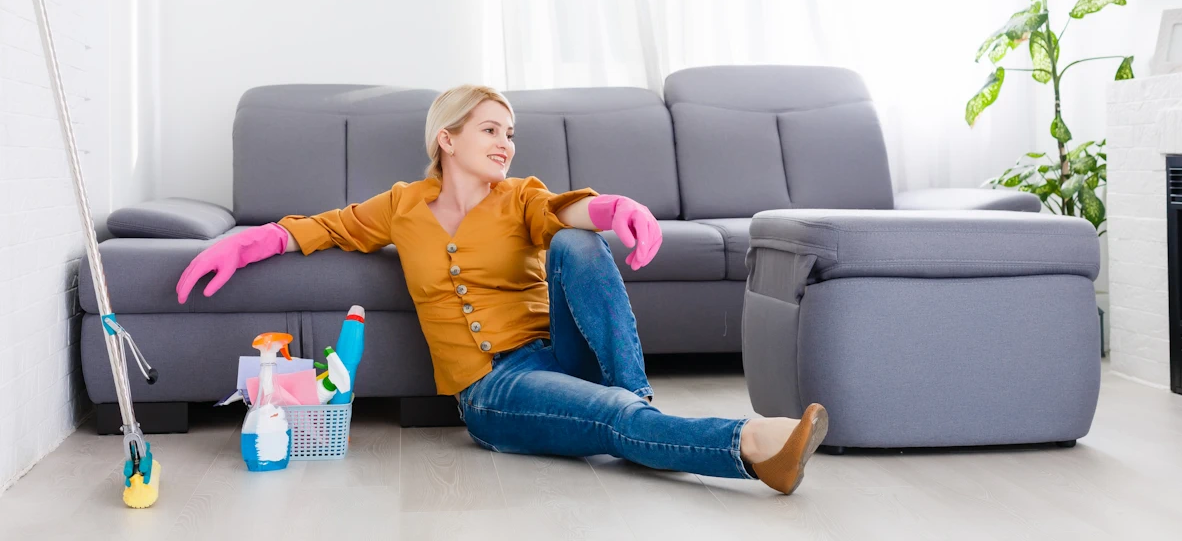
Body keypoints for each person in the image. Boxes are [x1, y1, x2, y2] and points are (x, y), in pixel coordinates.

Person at [176, 84, 828, 494]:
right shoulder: (402, 206)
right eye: (491, 129)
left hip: (558, 352)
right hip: (494, 389)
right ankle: (749, 445)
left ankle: (636, 409)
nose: (506, 143)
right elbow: (327, 227)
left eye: (511, 133)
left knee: (577, 245)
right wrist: (251, 241)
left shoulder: (520, 196)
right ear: (447, 137)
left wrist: (608, 211)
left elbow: (563, 217)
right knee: (612, 420)